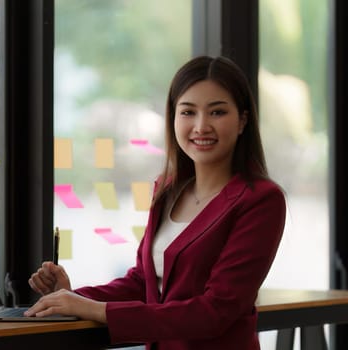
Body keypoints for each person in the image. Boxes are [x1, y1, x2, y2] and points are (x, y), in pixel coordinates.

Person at [25, 55, 286, 350]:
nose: (201, 126)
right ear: (173, 117)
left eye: (217, 112)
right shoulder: (168, 190)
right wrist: (73, 297)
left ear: (242, 121)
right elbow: (142, 283)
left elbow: (216, 311)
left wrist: (97, 310)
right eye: (188, 112)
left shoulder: (261, 200)